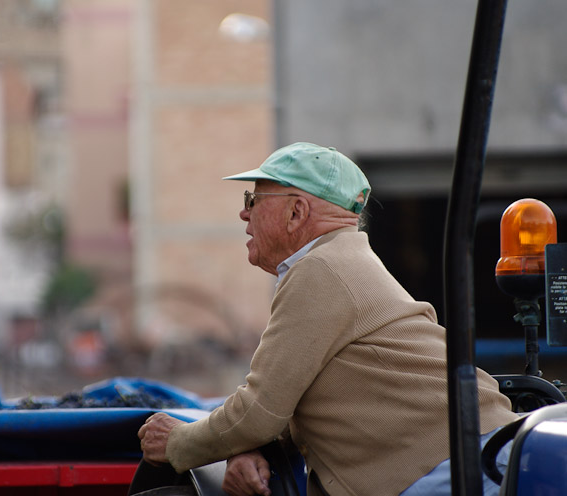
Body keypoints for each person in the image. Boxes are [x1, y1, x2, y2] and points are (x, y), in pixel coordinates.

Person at [137, 142, 519, 496]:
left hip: (451, 471)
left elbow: (258, 411)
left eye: (253, 199)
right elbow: (279, 407)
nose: (243, 212)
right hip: (467, 460)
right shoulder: (342, 261)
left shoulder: (318, 270)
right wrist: (246, 447)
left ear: (296, 212)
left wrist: (175, 443)